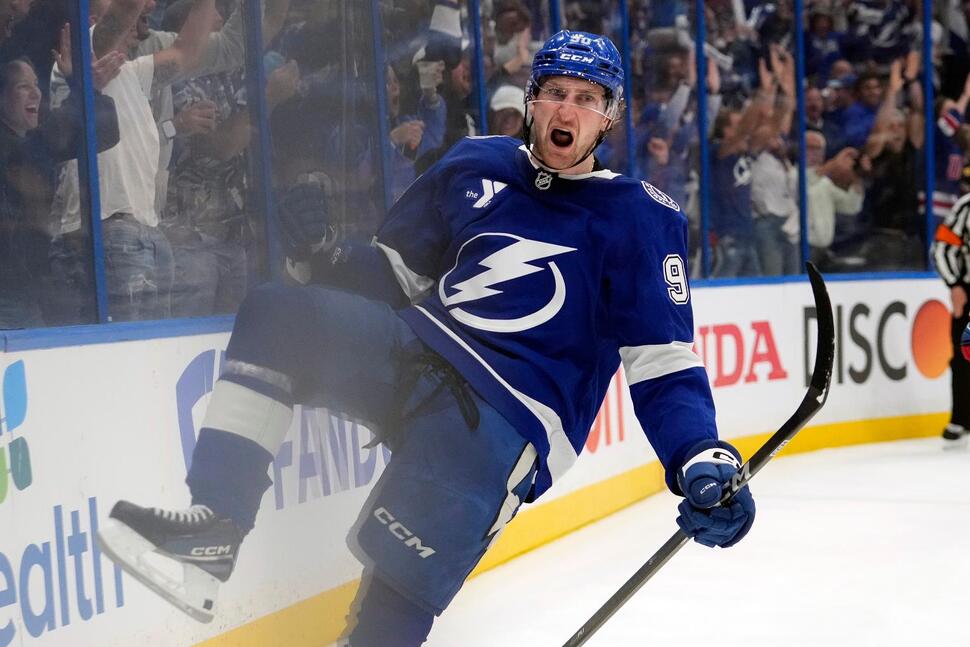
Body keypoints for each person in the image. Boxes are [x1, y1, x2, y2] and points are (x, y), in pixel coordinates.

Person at [97, 30, 756, 644]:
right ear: (532, 99)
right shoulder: (475, 163)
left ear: (609, 116)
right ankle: (214, 530)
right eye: (555, 90)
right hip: (413, 352)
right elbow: (392, 277)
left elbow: (663, 363)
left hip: (502, 421)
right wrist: (324, 252)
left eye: (587, 99)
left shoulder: (640, 217)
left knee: (388, 608)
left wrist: (699, 453)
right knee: (280, 314)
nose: (567, 109)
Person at [932, 189, 970, 447]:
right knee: (965, 356)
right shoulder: (967, 207)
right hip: (969, 293)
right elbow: (942, 247)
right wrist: (955, 284)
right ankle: (961, 418)